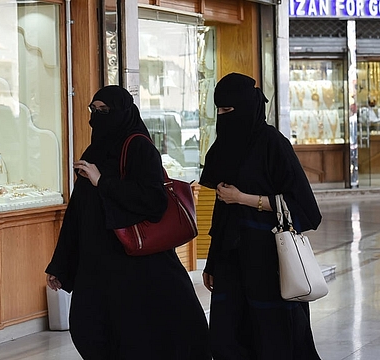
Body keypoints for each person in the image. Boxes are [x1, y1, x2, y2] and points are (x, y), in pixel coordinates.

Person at [45, 85, 211, 360]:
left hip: (136, 265)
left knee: (140, 336)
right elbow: (78, 211)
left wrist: (103, 182)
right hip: (98, 264)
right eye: (93, 110)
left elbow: (153, 202)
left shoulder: (139, 147)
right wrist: (60, 264)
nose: (97, 117)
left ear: (122, 112)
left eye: (105, 111)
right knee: (92, 332)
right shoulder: (95, 151)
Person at [200, 73, 323, 360]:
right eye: (218, 111)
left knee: (272, 337)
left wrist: (244, 198)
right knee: (225, 337)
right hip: (231, 258)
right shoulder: (224, 146)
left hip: (269, 260)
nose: (222, 116)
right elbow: (222, 211)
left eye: (228, 110)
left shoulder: (272, 144)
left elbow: (303, 206)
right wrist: (212, 261)